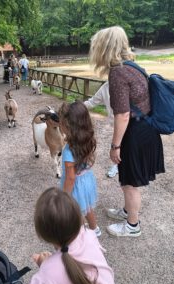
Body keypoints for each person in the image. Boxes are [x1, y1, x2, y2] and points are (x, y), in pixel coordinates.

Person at [89, 26, 165, 237]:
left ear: (105, 48)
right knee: (127, 177)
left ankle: (133, 226)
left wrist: (115, 146)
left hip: (136, 132)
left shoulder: (118, 72)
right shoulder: (132, 66)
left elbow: (122, 114)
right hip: (145, 128)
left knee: (130, 182)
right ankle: (126, 211)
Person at [29, 187, 127, 284]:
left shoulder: (48, 271)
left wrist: (44, 264)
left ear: (42, 233)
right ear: (79, 220)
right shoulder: (90, 236)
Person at [59, 101, 101, 237]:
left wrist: (65, 196)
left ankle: (82, 238)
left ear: (68, 126)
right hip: (87, 180)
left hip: (76, 186)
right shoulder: (86, 140)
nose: (59, 125)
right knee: (87, 205)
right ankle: (95, 229)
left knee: (76, 213)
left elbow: (70, 177)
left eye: (61, 122)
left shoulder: (68, 150)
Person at [84, 82, 118, 178]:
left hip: (131, 121)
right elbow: (92, 102)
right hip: (116, 123)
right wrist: (78, 106)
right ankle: (117, 165)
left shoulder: (127, 83)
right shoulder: (106, 87)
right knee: (118, 143)